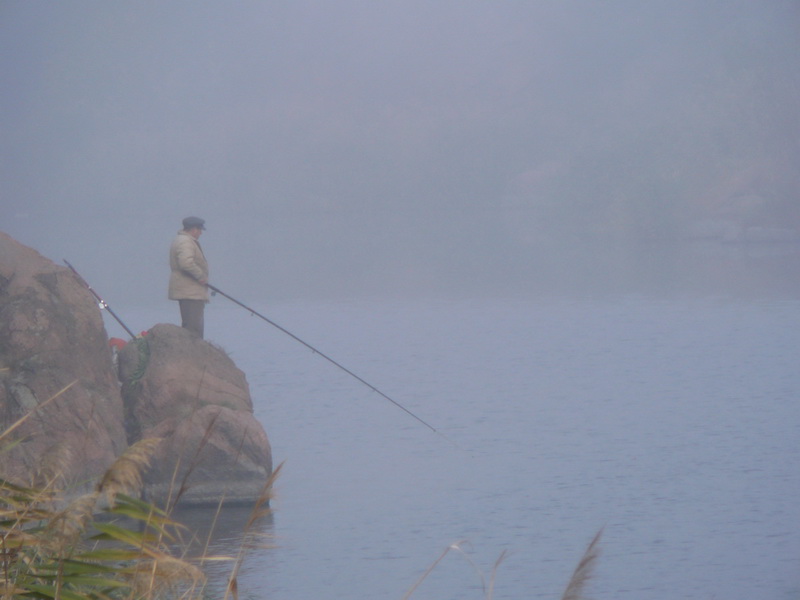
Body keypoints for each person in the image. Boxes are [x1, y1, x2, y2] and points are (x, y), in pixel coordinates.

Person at [168, 216, 209, 338]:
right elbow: (186, 263)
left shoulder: (182, 240)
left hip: (189, 291)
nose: (201, 233)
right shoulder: (185, 241)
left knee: (192, 327)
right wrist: (200, 276)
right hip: (190, 292)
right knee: (193, 329)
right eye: (200, 230)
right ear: (194, 229)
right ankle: (194, 354)